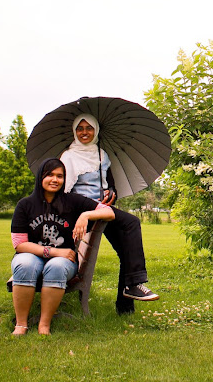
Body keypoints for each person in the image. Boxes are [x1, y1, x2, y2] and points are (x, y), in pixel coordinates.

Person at [60, 113, 158, 316]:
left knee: (127, 249)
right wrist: (85, 211)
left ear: (96, 131)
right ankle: (135, 283)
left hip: (101, 209)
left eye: (89, 128)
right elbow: (64, 192)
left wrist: (110, 192)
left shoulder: (101, 155)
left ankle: (126, 305)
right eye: (80, 128)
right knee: (132, 222)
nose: (84, 132)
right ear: (74, 131)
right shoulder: (68, 157)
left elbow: (111, 185)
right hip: (80, 210)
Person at [10, 158, 115, 335]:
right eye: (50, 175)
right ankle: (21, 324)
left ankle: (44, 325)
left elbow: (109, 212)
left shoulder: (72, 201)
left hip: (63, 261)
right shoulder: (25, 205)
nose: (55, 180)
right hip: (33, 255)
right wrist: (53, 251)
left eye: (60, 176)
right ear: (40, 177)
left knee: (57, 266)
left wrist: (85, 215)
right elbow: (20, 244)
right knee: (25, 264)